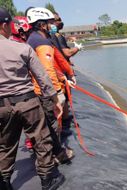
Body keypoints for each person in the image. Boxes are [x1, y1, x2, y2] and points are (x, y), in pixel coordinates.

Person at [0, 7, 64, 190]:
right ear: (5, 25)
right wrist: (55, 100)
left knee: (5, 146)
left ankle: (4, 181)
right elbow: (43, 77)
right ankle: (46, 180)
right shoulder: (22, 48)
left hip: (2, 107)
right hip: (28, 102)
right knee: (41, 140)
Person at [26, 7, 74, 164]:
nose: (53, 25)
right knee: (52, 124)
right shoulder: (42, 42)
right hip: (44, 92)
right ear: (41, 25)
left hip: (35, 89)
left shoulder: (31, 39)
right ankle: (56, 155)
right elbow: (47, 70)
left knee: (43, 125)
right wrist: (57, 92)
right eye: (50, 23)